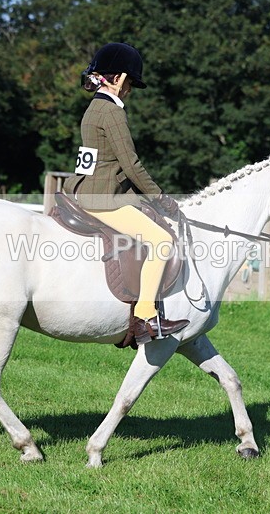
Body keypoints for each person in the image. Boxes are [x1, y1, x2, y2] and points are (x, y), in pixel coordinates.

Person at [63, 42, 189, 344]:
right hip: (103, 198)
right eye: (130, 81)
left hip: (88, 190)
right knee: (161, 240)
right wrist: (161, 199)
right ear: (119, 78)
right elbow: (131, 164)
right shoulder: (112, 112)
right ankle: (146, 316)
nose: (130, 88)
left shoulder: (94, 108)